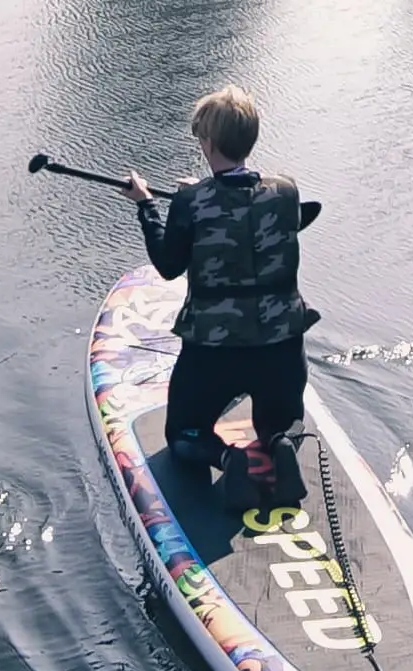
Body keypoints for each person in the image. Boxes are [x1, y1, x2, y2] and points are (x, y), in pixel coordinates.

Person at [120, 87, 319, 507]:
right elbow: (248, 207)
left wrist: (147, 206)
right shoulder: (286, 192)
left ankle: (230, 457)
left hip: (214, 350)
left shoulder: (192, 202)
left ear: (207, 144)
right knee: (287, 419)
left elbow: (168, 264)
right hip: (282, 347)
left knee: (183, 434)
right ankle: (279, 442)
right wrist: (206, 194)